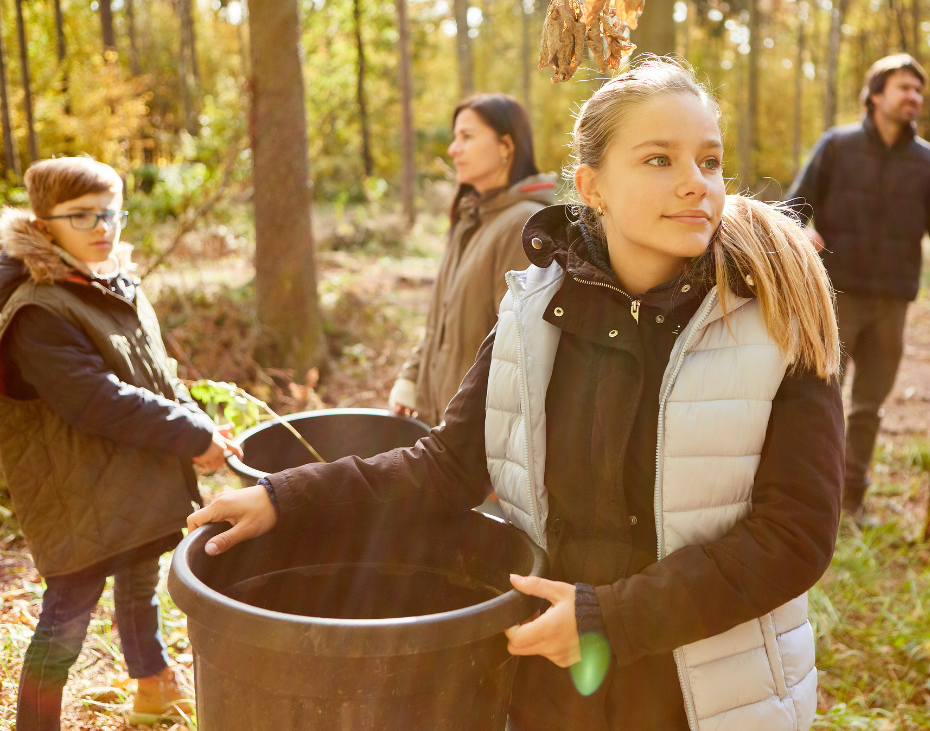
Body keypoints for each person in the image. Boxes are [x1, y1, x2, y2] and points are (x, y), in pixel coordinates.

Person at [188, 58, 845, 731]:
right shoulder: (530, 316)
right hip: (551, 693)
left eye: (709, 161)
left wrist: (607, 619)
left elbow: (794, 535)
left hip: (708, 699)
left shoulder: (778, 318)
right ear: (593, 186)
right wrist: (284, 499)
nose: (696, 185)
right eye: (658, 160)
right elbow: (444, 469)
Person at [0, 157, 243, 730]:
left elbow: (155, 374)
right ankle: (36, 724)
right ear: (43, 221)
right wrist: (189, 434)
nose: (102, 227)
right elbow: (96, 398)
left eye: (110, 212)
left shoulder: (107, 282)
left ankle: (154, 688)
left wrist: (199, 421)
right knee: (66, 619)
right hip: (75, 490)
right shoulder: (38, 308)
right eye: (81, 215)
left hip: (131, 474)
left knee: (141, 585)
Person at [786, 53, 930, 522]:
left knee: (869, 405)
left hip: (892, 301)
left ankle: (852, 498)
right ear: (875, 94)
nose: (915, 98)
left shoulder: (926, 162)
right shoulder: (837, 146)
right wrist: (798, 233)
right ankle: (809, 498)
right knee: (819, 399)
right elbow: (789, 208)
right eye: (905, 87)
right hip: (835, 297)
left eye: (918, 91)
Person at [389, 94, 556, 425]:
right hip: (442, 426)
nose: (453, 149)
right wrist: (411, 378)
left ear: (506, 146)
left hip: (477, 437)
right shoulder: (470, 217)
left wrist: (461, 431)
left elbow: (516, 347)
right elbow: (443, 319)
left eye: (466, 137)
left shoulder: (522, 225)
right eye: (455, 138)